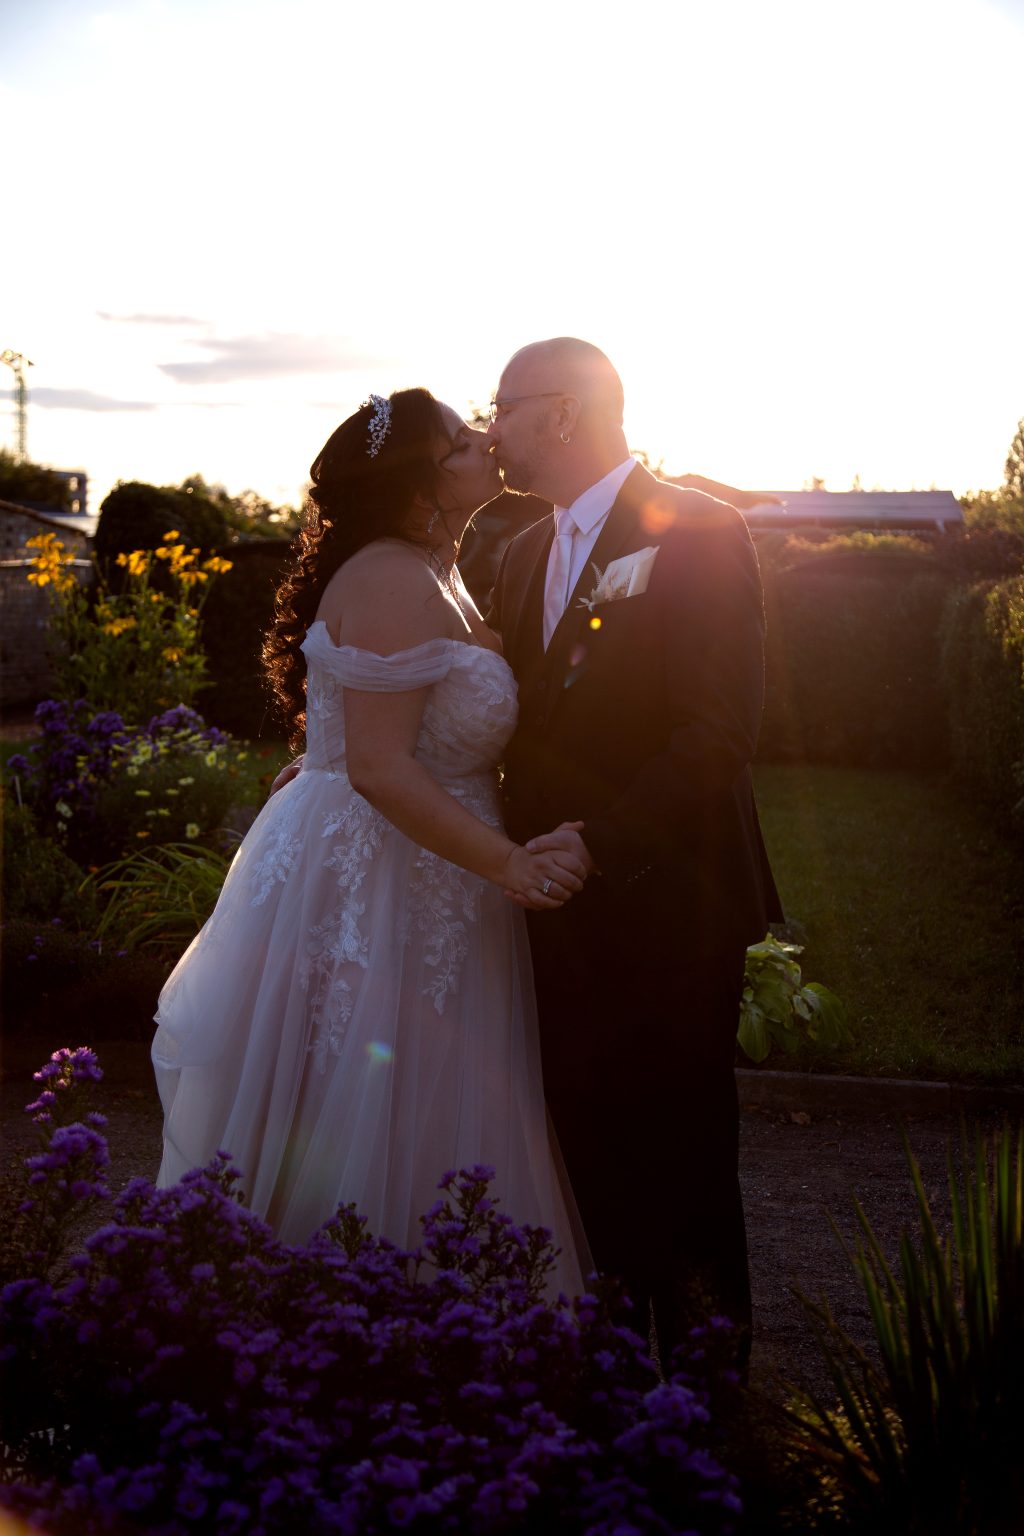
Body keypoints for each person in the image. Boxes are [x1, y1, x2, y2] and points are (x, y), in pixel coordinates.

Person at [151, 388, 591, 1296]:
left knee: (426, 1096)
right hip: (382, 874)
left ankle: (423, 1317)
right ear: (419, 485)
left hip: (433, 864)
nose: (485, 440)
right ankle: (338, 1319)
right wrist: (509, 862)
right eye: (461, 441)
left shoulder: (439, 565)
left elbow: (387, 729)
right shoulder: (393, 575)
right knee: (362, 1095)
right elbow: (382, 769)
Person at [484, 338, 783, 1364]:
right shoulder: (521, 550)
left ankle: (707, 1391)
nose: (491, 428)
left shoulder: (701, 528)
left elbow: (717, 731)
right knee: (586, 1149)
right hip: (557, 906)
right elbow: (511, 720)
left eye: (504, 406)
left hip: (672, 902)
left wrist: (602, 841)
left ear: (563, 412)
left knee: (684, 1155)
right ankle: (610, 1376)